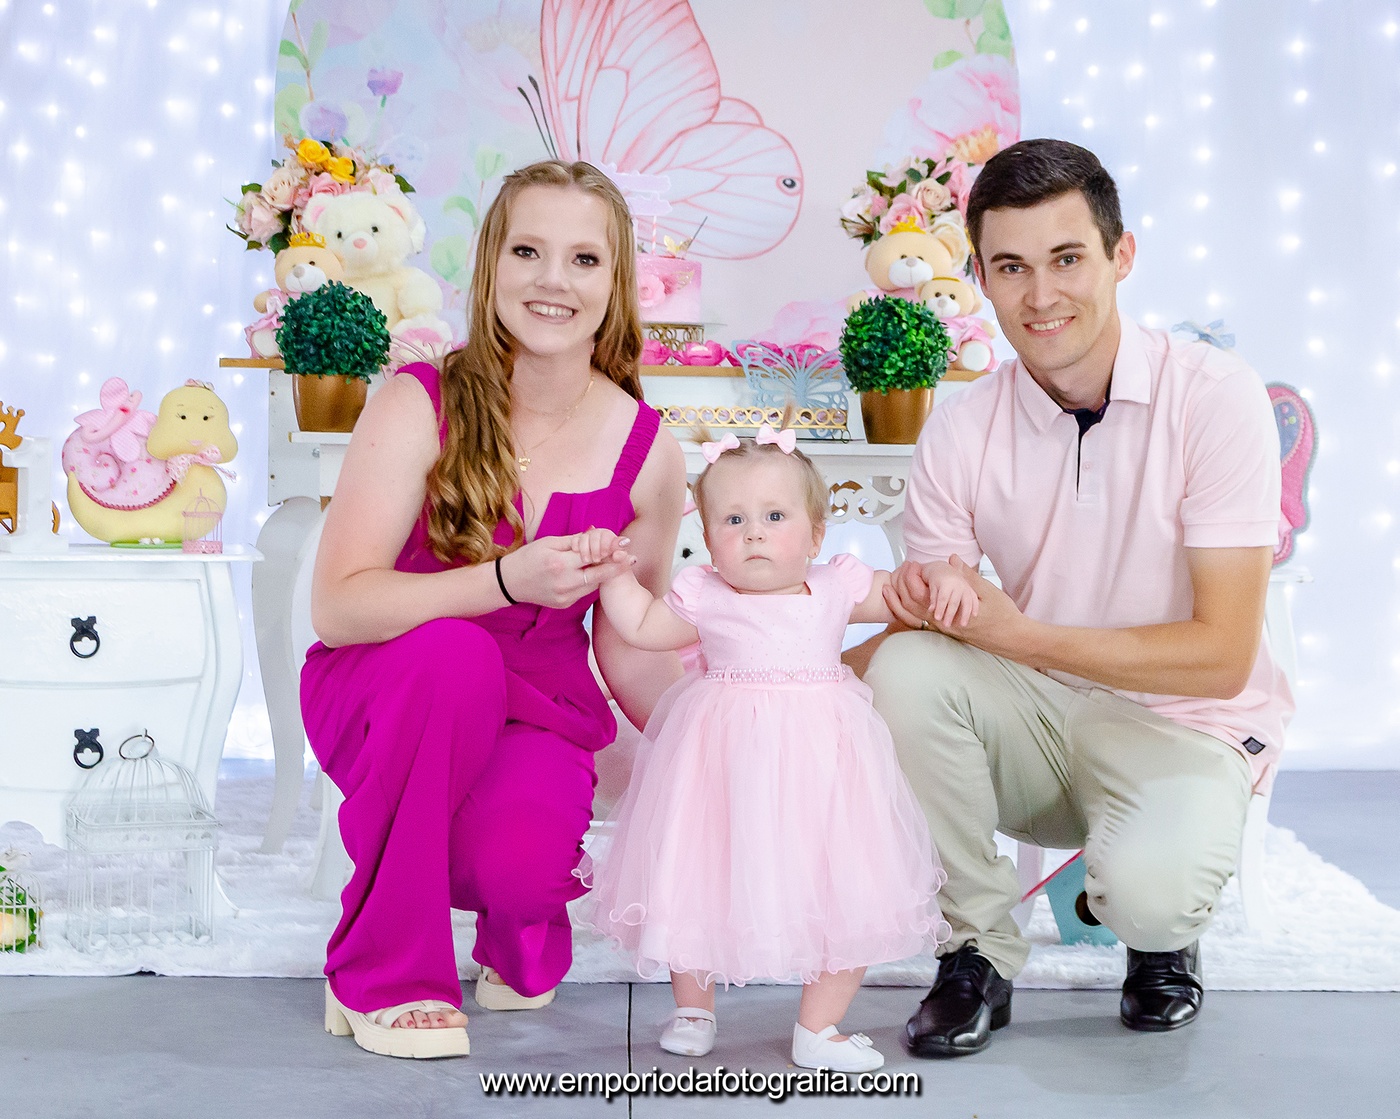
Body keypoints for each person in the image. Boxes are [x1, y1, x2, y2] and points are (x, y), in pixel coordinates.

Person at [861, 138, 1293, 1054]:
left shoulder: (1214, 396)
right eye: (1011, 267)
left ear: (1120, 255)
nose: (1040, 296)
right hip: (1041, 721)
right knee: (903, 667)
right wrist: (786, 656)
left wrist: (1019, 634)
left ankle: (1152, 923)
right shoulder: (962, 427)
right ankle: (977, 947)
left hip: (1186, 723)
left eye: (1066, 259)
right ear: (979, 276)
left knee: (1148, 897)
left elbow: (1221, 657)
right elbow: (941, 621)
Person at [301, 159, 687, 1059]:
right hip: (387, 685)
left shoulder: (650, 452)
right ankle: (381, 972)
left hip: (536, 708)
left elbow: (631, 641)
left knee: (521, 864)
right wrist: (504, 582)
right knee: (455, 657)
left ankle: (518, 926)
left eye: (584, 259)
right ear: (490, 264)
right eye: (527, 251)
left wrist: (714, 736)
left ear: (617, 283)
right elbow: (337, 607)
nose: (554, 280)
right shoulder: (417, 402)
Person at [578, 427, 963, 1072]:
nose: (754, 533)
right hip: (720, 764)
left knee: (842, 882)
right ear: (708, 538)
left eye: (775, 517)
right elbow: (641, 625)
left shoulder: (836, 586)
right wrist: (615, 574)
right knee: (699, 874)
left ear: (816, 536)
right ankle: (693, 1009)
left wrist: (940, 579)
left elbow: (905, 596)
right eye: (734, 520)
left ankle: (819, 1027)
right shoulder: (705, 594)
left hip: (824, 766)